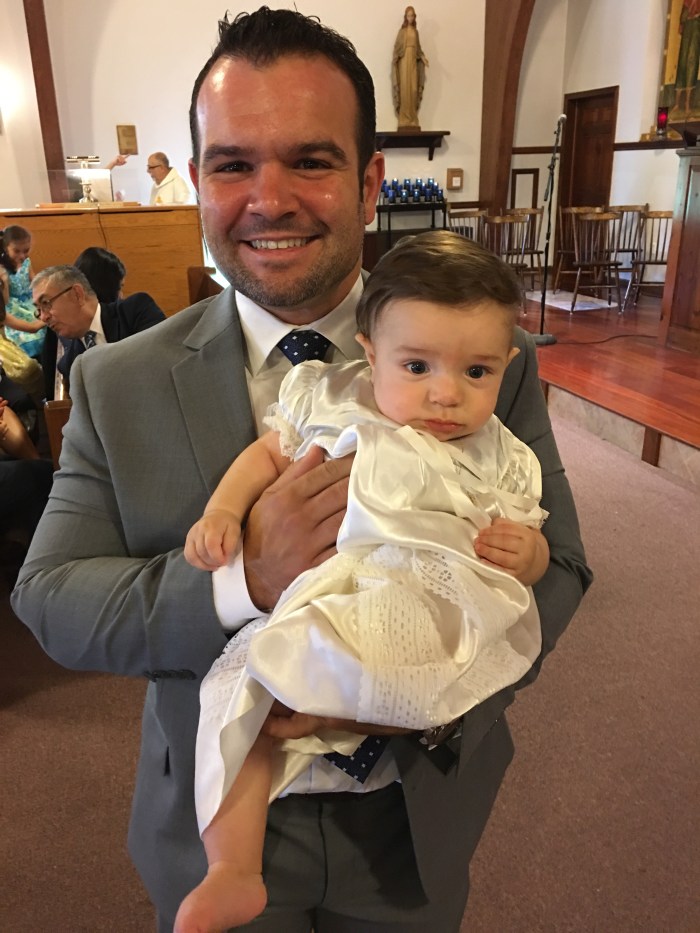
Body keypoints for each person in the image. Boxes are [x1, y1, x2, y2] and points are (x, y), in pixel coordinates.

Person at [12, 8, 592, 932]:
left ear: (369, 184)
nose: (269, 199)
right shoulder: (117, 381)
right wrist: (245, 577)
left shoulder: (479, 359)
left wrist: (429, 693)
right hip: (219, 811)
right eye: (233, 164)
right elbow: (52, 597)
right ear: (198, 181)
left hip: (412, 817)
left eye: (310, 160)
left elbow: (559, 568)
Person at [176, 231, 549, 932]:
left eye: (477, 371)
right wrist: (223, 513)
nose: (446, 393)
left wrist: (527, 555)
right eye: (417, 366)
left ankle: (369, 712)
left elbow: (536, 543)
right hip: (329, 594)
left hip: (425, 610)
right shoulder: (336, 399)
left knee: (425, 680)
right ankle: (234, 865)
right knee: (244, 694)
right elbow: (267, 455)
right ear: (369, 354)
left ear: (506, 364)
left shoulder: (500, 453)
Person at [34, 264, 165, 397]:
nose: (43, 317)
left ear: (77, 295)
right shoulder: (70, 365)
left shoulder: (135, 311)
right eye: (38, 310)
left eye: (46, 303)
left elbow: (162, 362)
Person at [0, 225, 47, 359]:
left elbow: (35, 283)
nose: (22, 255)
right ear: (5, 248)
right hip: (13, 309)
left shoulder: (26, 262)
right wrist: (4, 281)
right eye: (16, 251)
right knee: (31, 337)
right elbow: (5, 302)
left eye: (26, 250)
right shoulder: (2, 269)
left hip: (31, 302)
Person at [0, 291, 45, 403]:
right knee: (26, 368)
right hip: (4, 355)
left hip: (6, 350)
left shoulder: (1, 314)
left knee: (29, 368)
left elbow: (32, 328)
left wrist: (48, 317)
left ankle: (41, 403)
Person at [392, 6, 429, 130]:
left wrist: (423, 58)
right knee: (404, 90)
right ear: (406, 17)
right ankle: (404, 118)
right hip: (404, 63)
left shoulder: (415, 32)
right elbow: (397, 48)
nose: (410, 18)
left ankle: (412, 118)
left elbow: (418, 50)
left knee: (413, 90)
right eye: (408, 16)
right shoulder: (402, 32)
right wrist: (396, 58)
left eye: (412, 15)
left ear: (414, 17)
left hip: (413, 63)